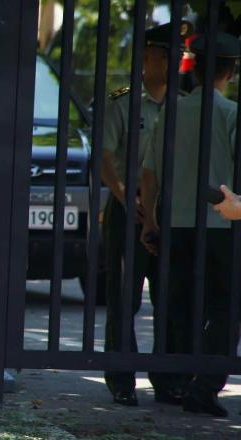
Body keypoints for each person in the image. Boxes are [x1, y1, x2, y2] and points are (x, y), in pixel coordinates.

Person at [141, 31, 240, 418]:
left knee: (179, 306)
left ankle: (176, 380)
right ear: (230, 73)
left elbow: (150, 171)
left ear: (194, 70)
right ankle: (206, 385)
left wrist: (150, 220)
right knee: (225, 308)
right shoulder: (230, 114)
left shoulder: (171, 112)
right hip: (222, 226)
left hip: (176, 223)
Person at [99, 22, 191, 407]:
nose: (173, 62)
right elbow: (104, 157)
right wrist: (124, 196)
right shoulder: (123, 103)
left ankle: (168, 379)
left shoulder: (185, 105)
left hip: (172, 210)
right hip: (130, 208)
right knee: (125, 298)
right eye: (166, 54)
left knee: (172, 298)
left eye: (179, 55)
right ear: (146, 56)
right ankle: (122, 378)